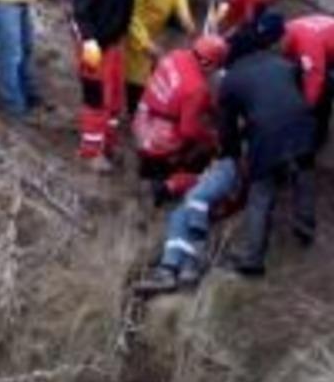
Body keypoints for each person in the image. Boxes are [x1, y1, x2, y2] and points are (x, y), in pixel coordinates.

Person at [217, 23, 317, 276]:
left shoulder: (230, 80)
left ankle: (252, 259)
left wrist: (233, 156)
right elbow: (293, 88)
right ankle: (305, 224)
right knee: (303, 171)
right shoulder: (281, 62)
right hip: (302, 120)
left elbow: (227, 128)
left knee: (260, 193)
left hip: (266, 134)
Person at [70, 0, 146, 171]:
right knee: (96, 97)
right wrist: (90, 45)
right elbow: (79, 13)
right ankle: (91, 152)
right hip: (93, 47)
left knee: (114, 98)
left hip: (114, 44)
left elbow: (125, 5)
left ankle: (108, 143)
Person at [133, 35, 228, 205]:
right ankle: (167, 184)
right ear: (210, 63)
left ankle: (154, 166)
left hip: (143, 117)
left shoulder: (175, 55)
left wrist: (211, 108)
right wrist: (211, 138)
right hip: (158, 138)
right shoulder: (197, 88)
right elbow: (188, 130)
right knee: (202, 151)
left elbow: (181, 91)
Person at [133, 157, 239, 295]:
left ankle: (186, 266)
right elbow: (200, 181)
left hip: (222, 196)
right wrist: (171, 184)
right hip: (211, 201)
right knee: (179, 214)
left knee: (190, 205)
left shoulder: (228, 165)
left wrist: (172, 184)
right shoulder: (215, 170)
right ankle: (171, 269)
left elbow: (203, 186)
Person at [125, 0, 196, 115]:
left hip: (154, 26)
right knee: (135, 75)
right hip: (134, 30)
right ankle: (134, 109)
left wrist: (184, 16)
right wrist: (145, 44)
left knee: (150, 66)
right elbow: (130, 15)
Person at [282, 15, 334, 149]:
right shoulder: (288, 30)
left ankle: (318, 138)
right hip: (331, 43)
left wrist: (305, 109)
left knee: (322, 94)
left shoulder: (308, 44)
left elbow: (314, 79)